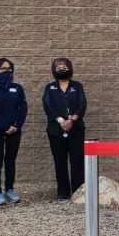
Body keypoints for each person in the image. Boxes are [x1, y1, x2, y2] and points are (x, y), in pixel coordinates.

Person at [0, 58, 28, 206]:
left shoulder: (17, 88)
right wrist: (5, 126)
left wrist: (17, 125)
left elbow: (23, 108)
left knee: (10, 160)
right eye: (3, 68)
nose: (6, 71)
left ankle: (9, 189)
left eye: (9, 68)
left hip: (15, 129)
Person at [42, 57, 86, 201]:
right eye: (59, 68)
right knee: (59, 161)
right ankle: (63, 191)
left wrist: (72, 120)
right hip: (56, 130)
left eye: (64, 67)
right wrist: (61, 121)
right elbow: (48, 106)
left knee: (77, 161)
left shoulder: (77, 86)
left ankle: (78, 191)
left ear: (70, 68)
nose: (62, 69)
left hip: (76, 129)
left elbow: (82, 104)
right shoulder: (49, 88)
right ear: (54, 71)